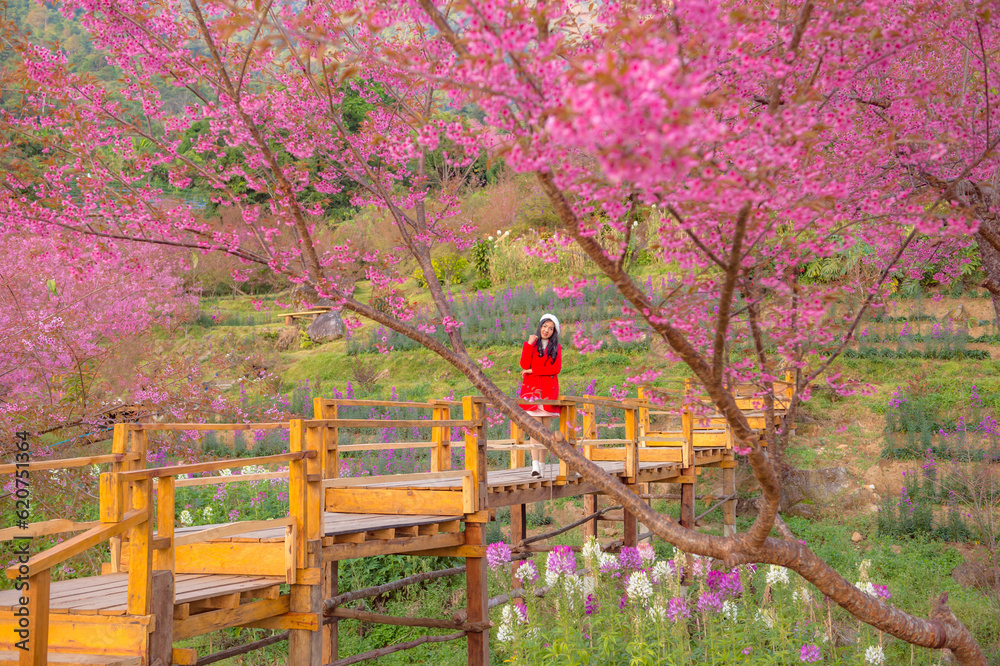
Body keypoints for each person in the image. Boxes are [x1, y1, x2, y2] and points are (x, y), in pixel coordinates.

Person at [519, 313, 562, 477]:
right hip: (532, 392)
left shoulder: (556, 348)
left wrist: (532, 370)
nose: (546, 330)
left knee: (546, 432)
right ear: (540, 326)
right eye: (545, 326)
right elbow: (523, 364)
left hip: (548, 394)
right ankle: (535, 466)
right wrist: (528, 344)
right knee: (535, 431)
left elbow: (555, 369)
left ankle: (542, 467)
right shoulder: (532, 345)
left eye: (550, 328)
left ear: (554, 332)